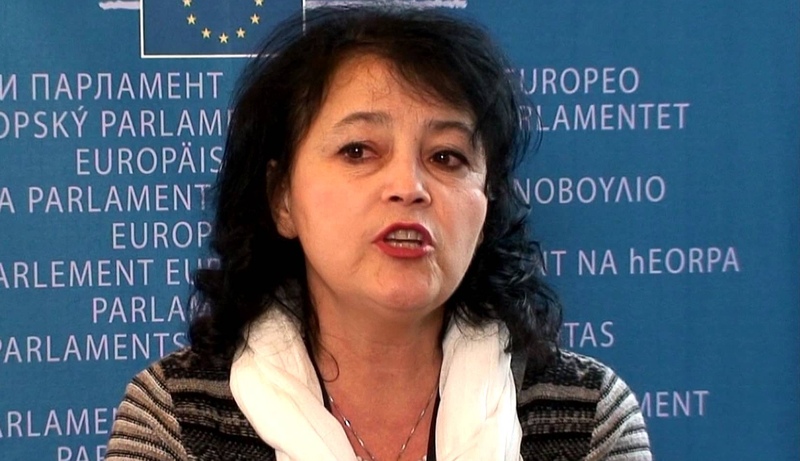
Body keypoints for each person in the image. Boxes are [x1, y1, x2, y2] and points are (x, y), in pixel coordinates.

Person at [106, 6, 651, 461]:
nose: (409, 187)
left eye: (446, 156)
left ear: (487, 205)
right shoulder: (179, 416)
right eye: (358, 150)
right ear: (282, 199)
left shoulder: (585, 417)